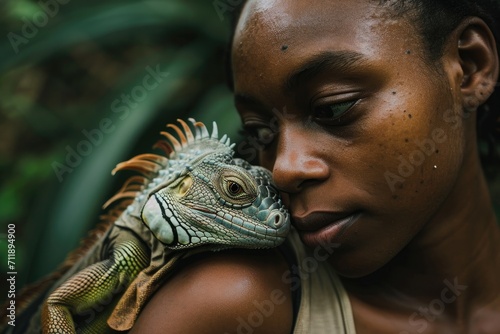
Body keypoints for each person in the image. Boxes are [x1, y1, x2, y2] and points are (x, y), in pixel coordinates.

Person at [131, 0, 500, 333]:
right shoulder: (231, 306)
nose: (283, 169)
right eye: (261, 132)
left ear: (469, 67)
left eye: (332, 107)